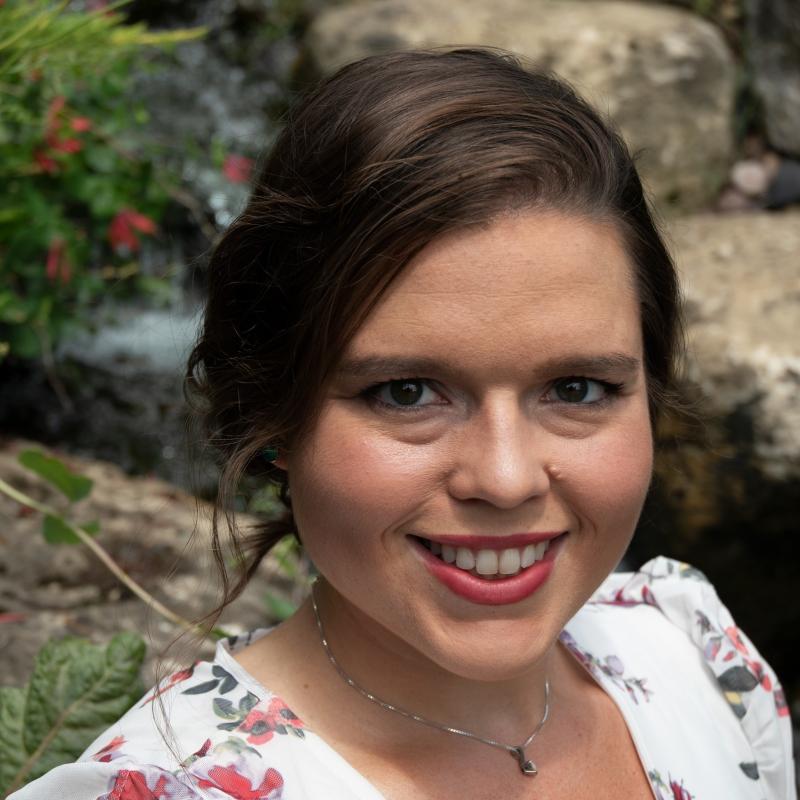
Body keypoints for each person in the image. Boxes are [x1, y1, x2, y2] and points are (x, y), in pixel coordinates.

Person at [10, 47, 794, 800]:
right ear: (271, 412)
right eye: (408, 393)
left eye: (578, 387)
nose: (506, 477)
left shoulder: (692, 655)